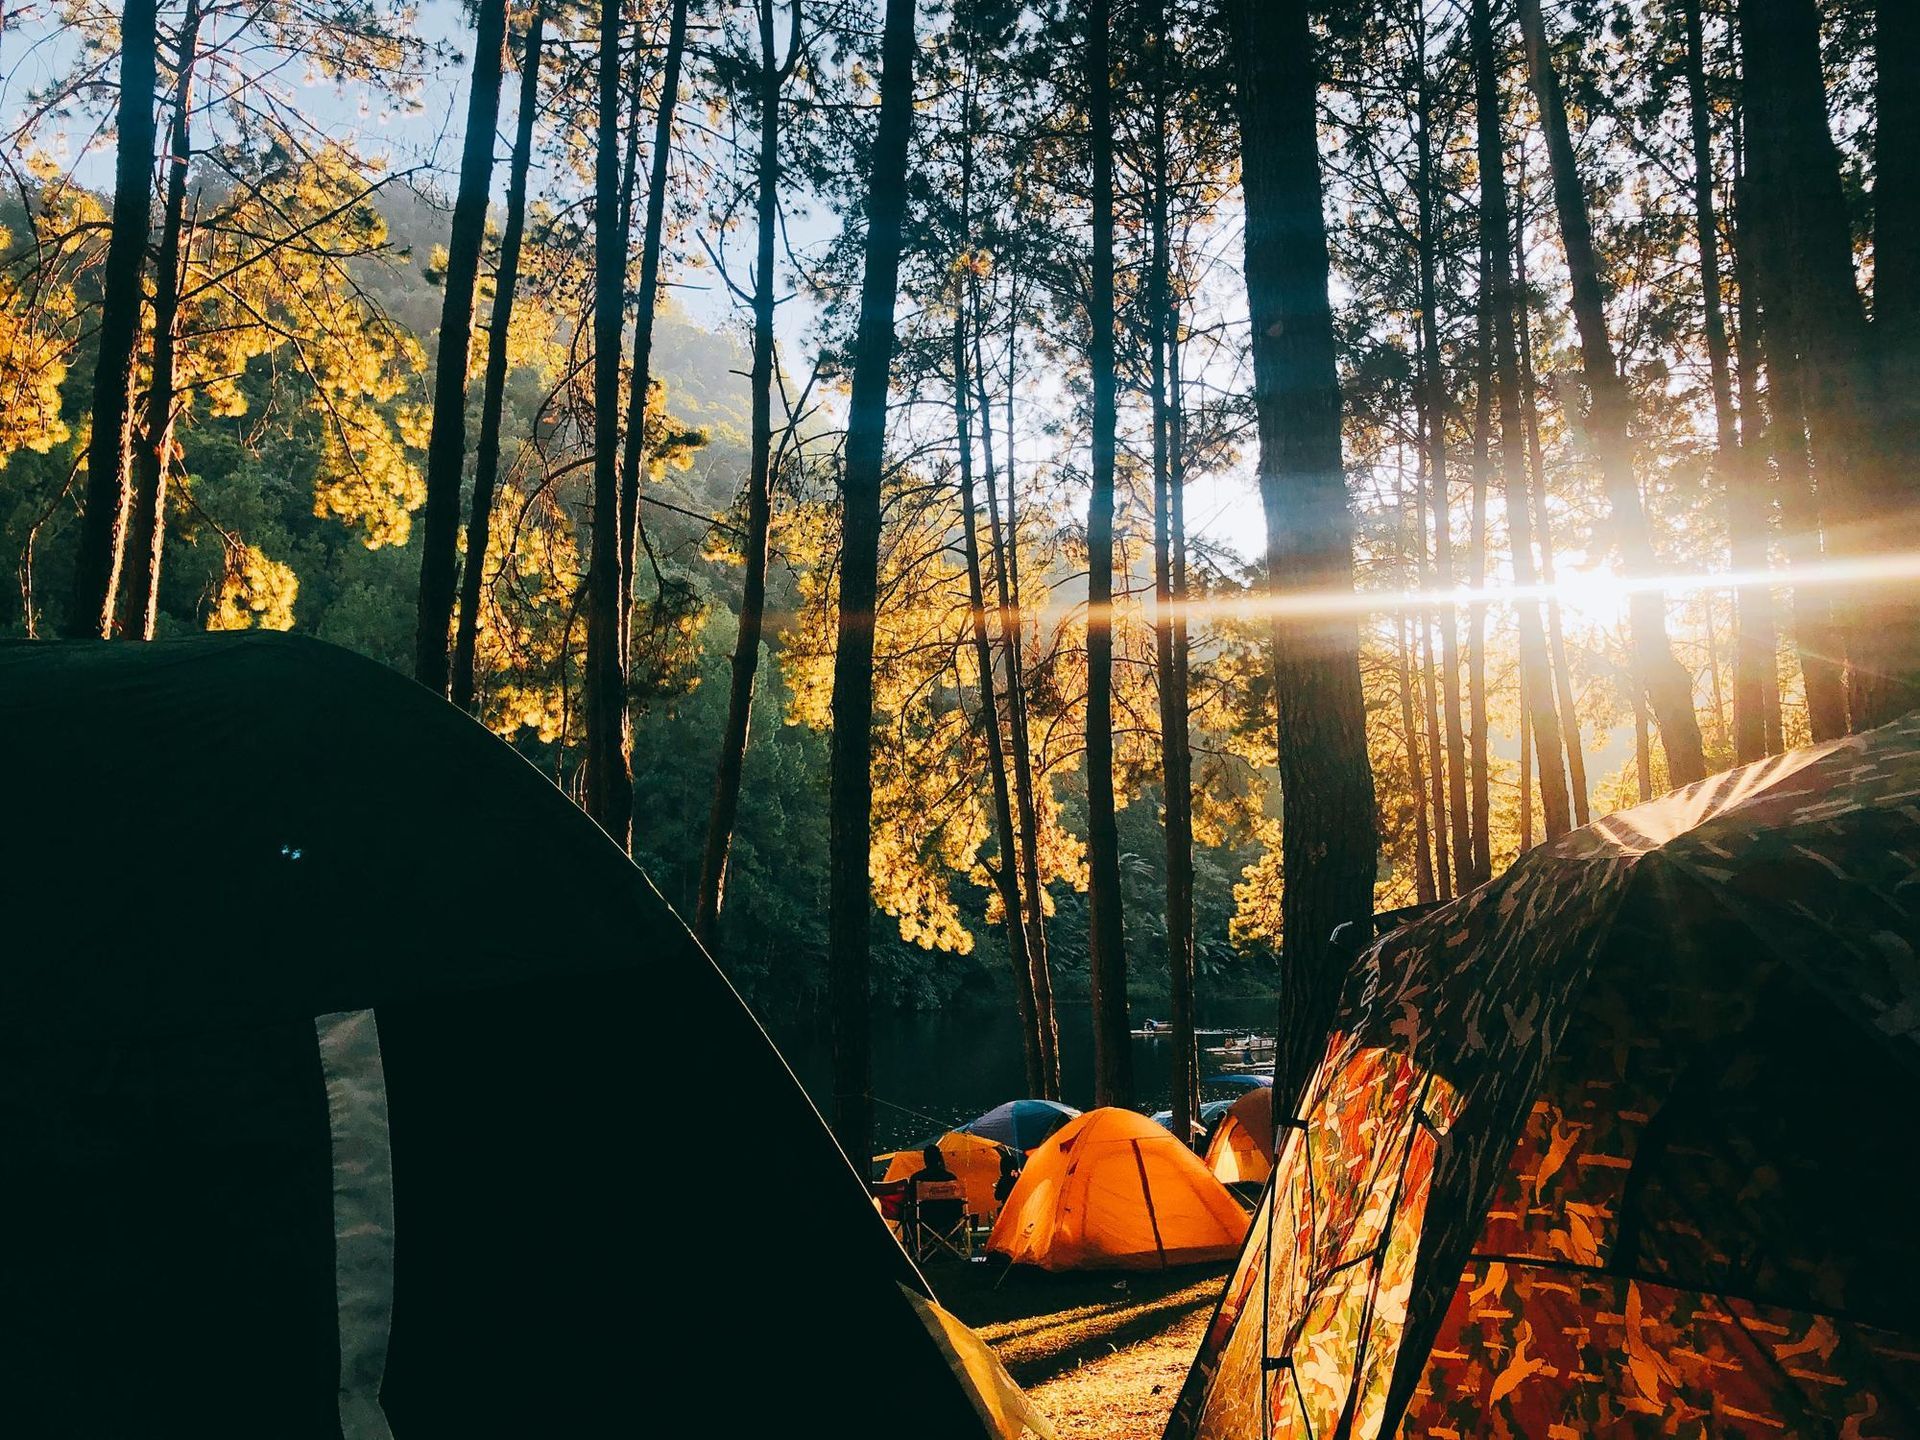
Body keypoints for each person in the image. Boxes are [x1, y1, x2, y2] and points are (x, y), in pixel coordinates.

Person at [906, 1144, 967, 1238]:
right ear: (939, 1157)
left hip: (925, 1217)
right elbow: (958, 1200)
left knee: (908, 1213)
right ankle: (953, 1241)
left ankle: (916, 1245)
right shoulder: (950, 1177)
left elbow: (911, 1199)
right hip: (948, 1217)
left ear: (925, 1159)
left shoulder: (917, 1178)